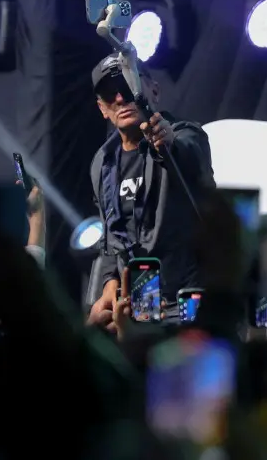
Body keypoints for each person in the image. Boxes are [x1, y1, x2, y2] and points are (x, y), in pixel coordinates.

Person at [86, 53, 215, 329]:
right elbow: (110, 237)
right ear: (102, 108)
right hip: (133, 305)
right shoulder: (102, 162)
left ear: (153, 90)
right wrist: (109, 283)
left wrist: (168, 145)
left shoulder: (186, 136)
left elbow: (191, 159)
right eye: (109, 95)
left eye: (127, 87)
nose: (120, 98)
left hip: (182, 304)